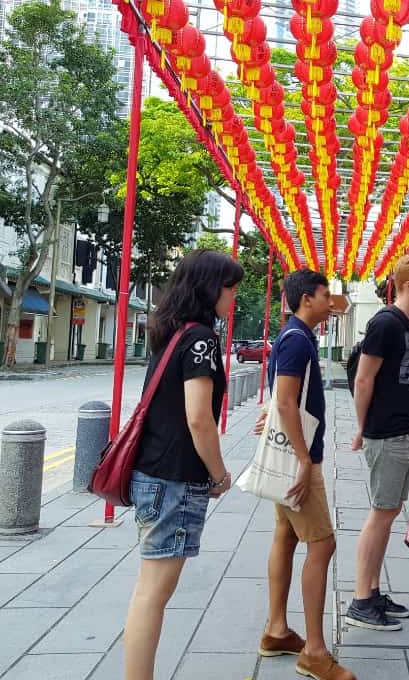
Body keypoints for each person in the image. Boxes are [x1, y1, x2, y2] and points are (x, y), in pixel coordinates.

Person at [123, 250, 241, 680]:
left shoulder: (172, 332)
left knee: (149, 589)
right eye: (230, 288)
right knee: (153, 592)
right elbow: (198, 416)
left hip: (154, 471)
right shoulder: (201, 339)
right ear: (211, 288)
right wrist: (219, 473)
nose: (232, 298)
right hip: (174, 477)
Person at [256, 269, 355, 680]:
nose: (330, 303)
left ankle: (276, 629)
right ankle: (314, 651)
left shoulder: (292, 335)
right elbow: (284, 402)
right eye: (324, 295)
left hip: (292, 456)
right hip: (300, 461)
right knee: (322, 544)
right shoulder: (297, 339)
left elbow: (280, 398)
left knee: (286, 535)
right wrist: (301, 459)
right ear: (306, 300)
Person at [347, 255, 409, 630]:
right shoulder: (385, 322)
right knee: (382, 512)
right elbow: (364, 379)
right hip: (385, 432)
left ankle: (373, 589)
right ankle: (360, 599)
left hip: (405, 429)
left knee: (389, 511)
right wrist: (360, 426)